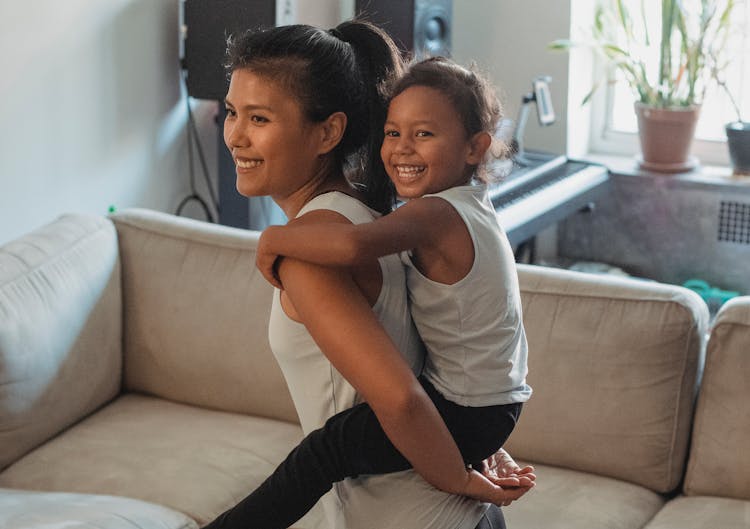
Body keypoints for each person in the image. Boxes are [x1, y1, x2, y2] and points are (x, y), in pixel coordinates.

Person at [203, 21, 534, 529]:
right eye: (231, 112)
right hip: (458, 517)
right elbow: (440, 351)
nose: (234, 135)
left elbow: (401, 396)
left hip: (416, 519)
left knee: (323, 452)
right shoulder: (375, 213)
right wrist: (477, 440)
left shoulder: (317, 250)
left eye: (260, 118)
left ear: (328, 132)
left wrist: (270, 241)